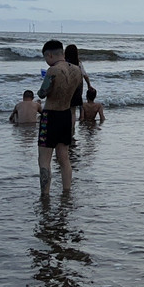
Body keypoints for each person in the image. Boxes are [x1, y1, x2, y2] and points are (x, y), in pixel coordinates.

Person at [37, 40, 82, 195]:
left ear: (49, 54)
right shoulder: (77, 70)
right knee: (64, 159)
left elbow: (42, 93)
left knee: (44, 160)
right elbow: (75, 94)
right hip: (66, 115)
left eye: (46, 58)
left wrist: (45, 82)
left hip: (50, 116)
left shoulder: (52, 71)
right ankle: (67, 192)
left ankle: (45, 194)